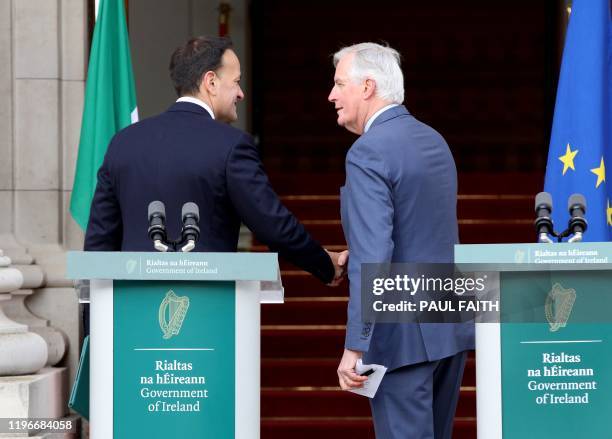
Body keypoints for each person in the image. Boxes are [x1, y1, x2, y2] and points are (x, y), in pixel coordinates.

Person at [84, 35, 347, 283]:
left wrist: (91, 321)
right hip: (208, 311)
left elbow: (99, 239)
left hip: (131, 312)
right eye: (236, 81)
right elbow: (272, 224)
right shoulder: (232, 145)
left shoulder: (124, 142)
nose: (241, 93)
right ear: (210, 82)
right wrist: (324, 264)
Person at [329, 43, 474, 439]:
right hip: (449, 325)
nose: (332, 95)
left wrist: (355, 346)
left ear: (368, 87)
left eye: (340, 83)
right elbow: (421, 230)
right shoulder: (434, 141)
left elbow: (375, 254)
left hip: (401, 337)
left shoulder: (367, 151)